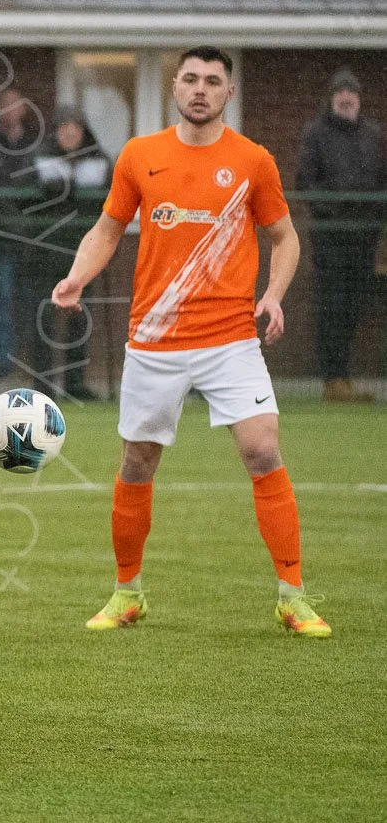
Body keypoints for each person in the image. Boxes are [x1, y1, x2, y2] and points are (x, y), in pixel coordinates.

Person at [51, 46, 329, 638]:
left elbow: (285, 239)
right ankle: (127, 592)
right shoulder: (139, 155)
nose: (200, 89)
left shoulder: (254, 162)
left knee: (262, 449)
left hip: (231, 338)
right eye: (190, 79)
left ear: (228, 93)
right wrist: (77, 277)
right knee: (137, 461)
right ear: (173, 89)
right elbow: (105, 229)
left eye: (212, 81)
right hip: (154, 339)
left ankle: (292, 595)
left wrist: (273, 296)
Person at [296, 68, 384, 403]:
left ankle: (343, 380)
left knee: (353, 306)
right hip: (331, 239)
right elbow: (306, 181)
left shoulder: (372, 134)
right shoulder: (317, 134)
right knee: (332, 305)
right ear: (332, 99)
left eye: (352, 92)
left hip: (365, 238)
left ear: (359, 100)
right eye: (340, 92)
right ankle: (332, 378)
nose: (347, 98)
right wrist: (334, 212)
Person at [26, 107, 112, 399]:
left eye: (75, 128)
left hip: (83, 255)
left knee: (79, 319)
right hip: (44, 254)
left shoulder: (99, 161)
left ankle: (75, 385)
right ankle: (43, 386)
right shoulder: (39, 158)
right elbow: (29, 196)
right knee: (43, 318)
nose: (70, 134)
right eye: (64, 128)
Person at [0, 86, 44, 380]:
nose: (9, 110)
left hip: (33, 239)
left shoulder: (36, 142)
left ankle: (31, 369)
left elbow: (41, 184)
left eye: (15, 105)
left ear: (24, 109)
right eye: (3, 105)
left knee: (33, 306)